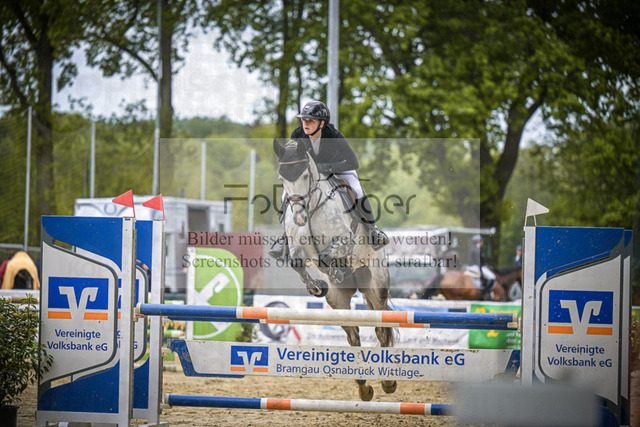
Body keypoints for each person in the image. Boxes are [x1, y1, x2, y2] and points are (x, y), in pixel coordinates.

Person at [269, 100, 389, 259]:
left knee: (357, 189)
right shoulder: (297, 134)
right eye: (304, 120)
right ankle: (285, 236)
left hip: (339, 168)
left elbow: (353, 162)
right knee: (287, 193)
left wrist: (327, 167)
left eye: (310, 120)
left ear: (322, 123)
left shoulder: (334, 136)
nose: (306, 124)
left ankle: (373, 230)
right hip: (312, 173)